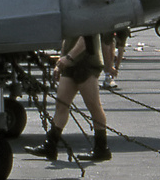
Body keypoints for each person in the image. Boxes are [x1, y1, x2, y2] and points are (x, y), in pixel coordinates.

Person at [27, 33, 110, 161]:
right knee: (61, 105)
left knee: (93, 105)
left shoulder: (86, 15)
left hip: (86, 63)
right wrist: (61, 62)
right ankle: (50, 145)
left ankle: (101, 148)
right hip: (70, 64)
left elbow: (87, 38)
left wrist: (68, 58)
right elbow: (67, 39)